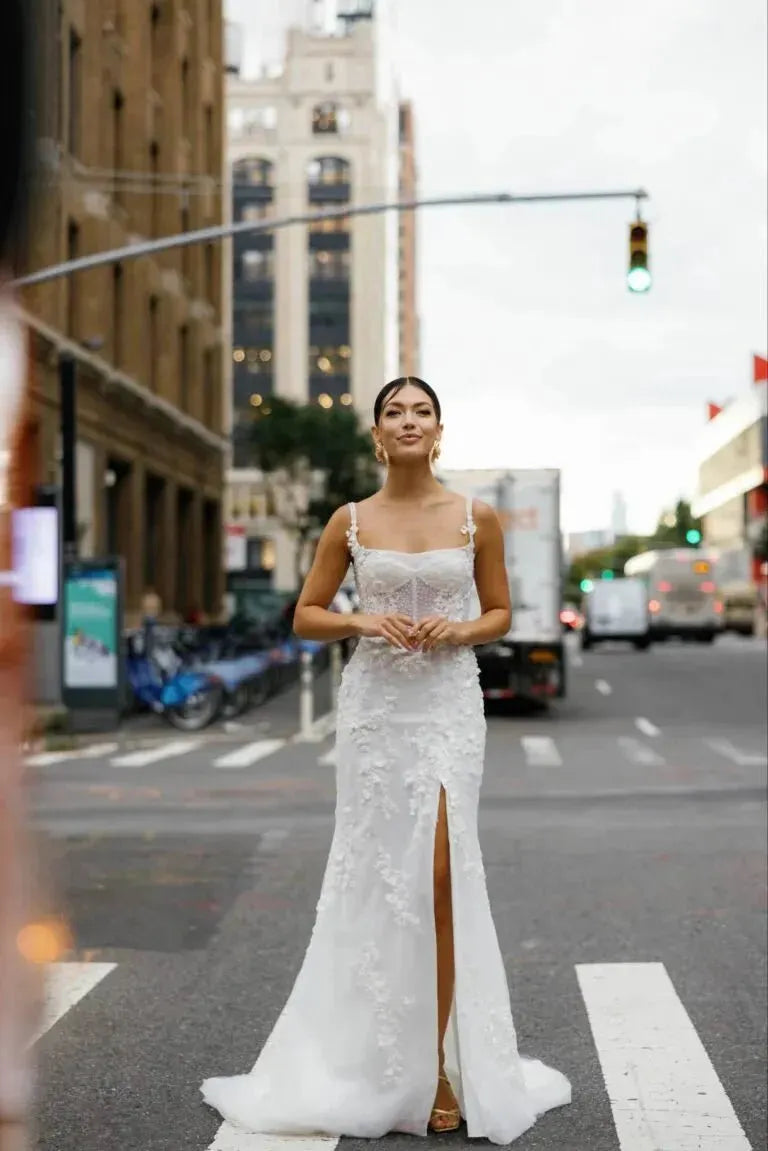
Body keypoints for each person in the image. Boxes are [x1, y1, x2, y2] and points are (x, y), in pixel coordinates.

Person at [201, 377, 571, 1143]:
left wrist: (459, 630)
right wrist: (363, 620)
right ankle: (376, 1059)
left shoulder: (475, 516)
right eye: (395, 412)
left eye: (422, 411)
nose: (409, 420)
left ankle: (439, 1067)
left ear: (439, 431)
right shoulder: (350, 519)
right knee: (378, 880)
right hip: (376, 711)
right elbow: (305, 615)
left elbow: (501, 611)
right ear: (377, 434)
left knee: (439, 874)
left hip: (447, 706)